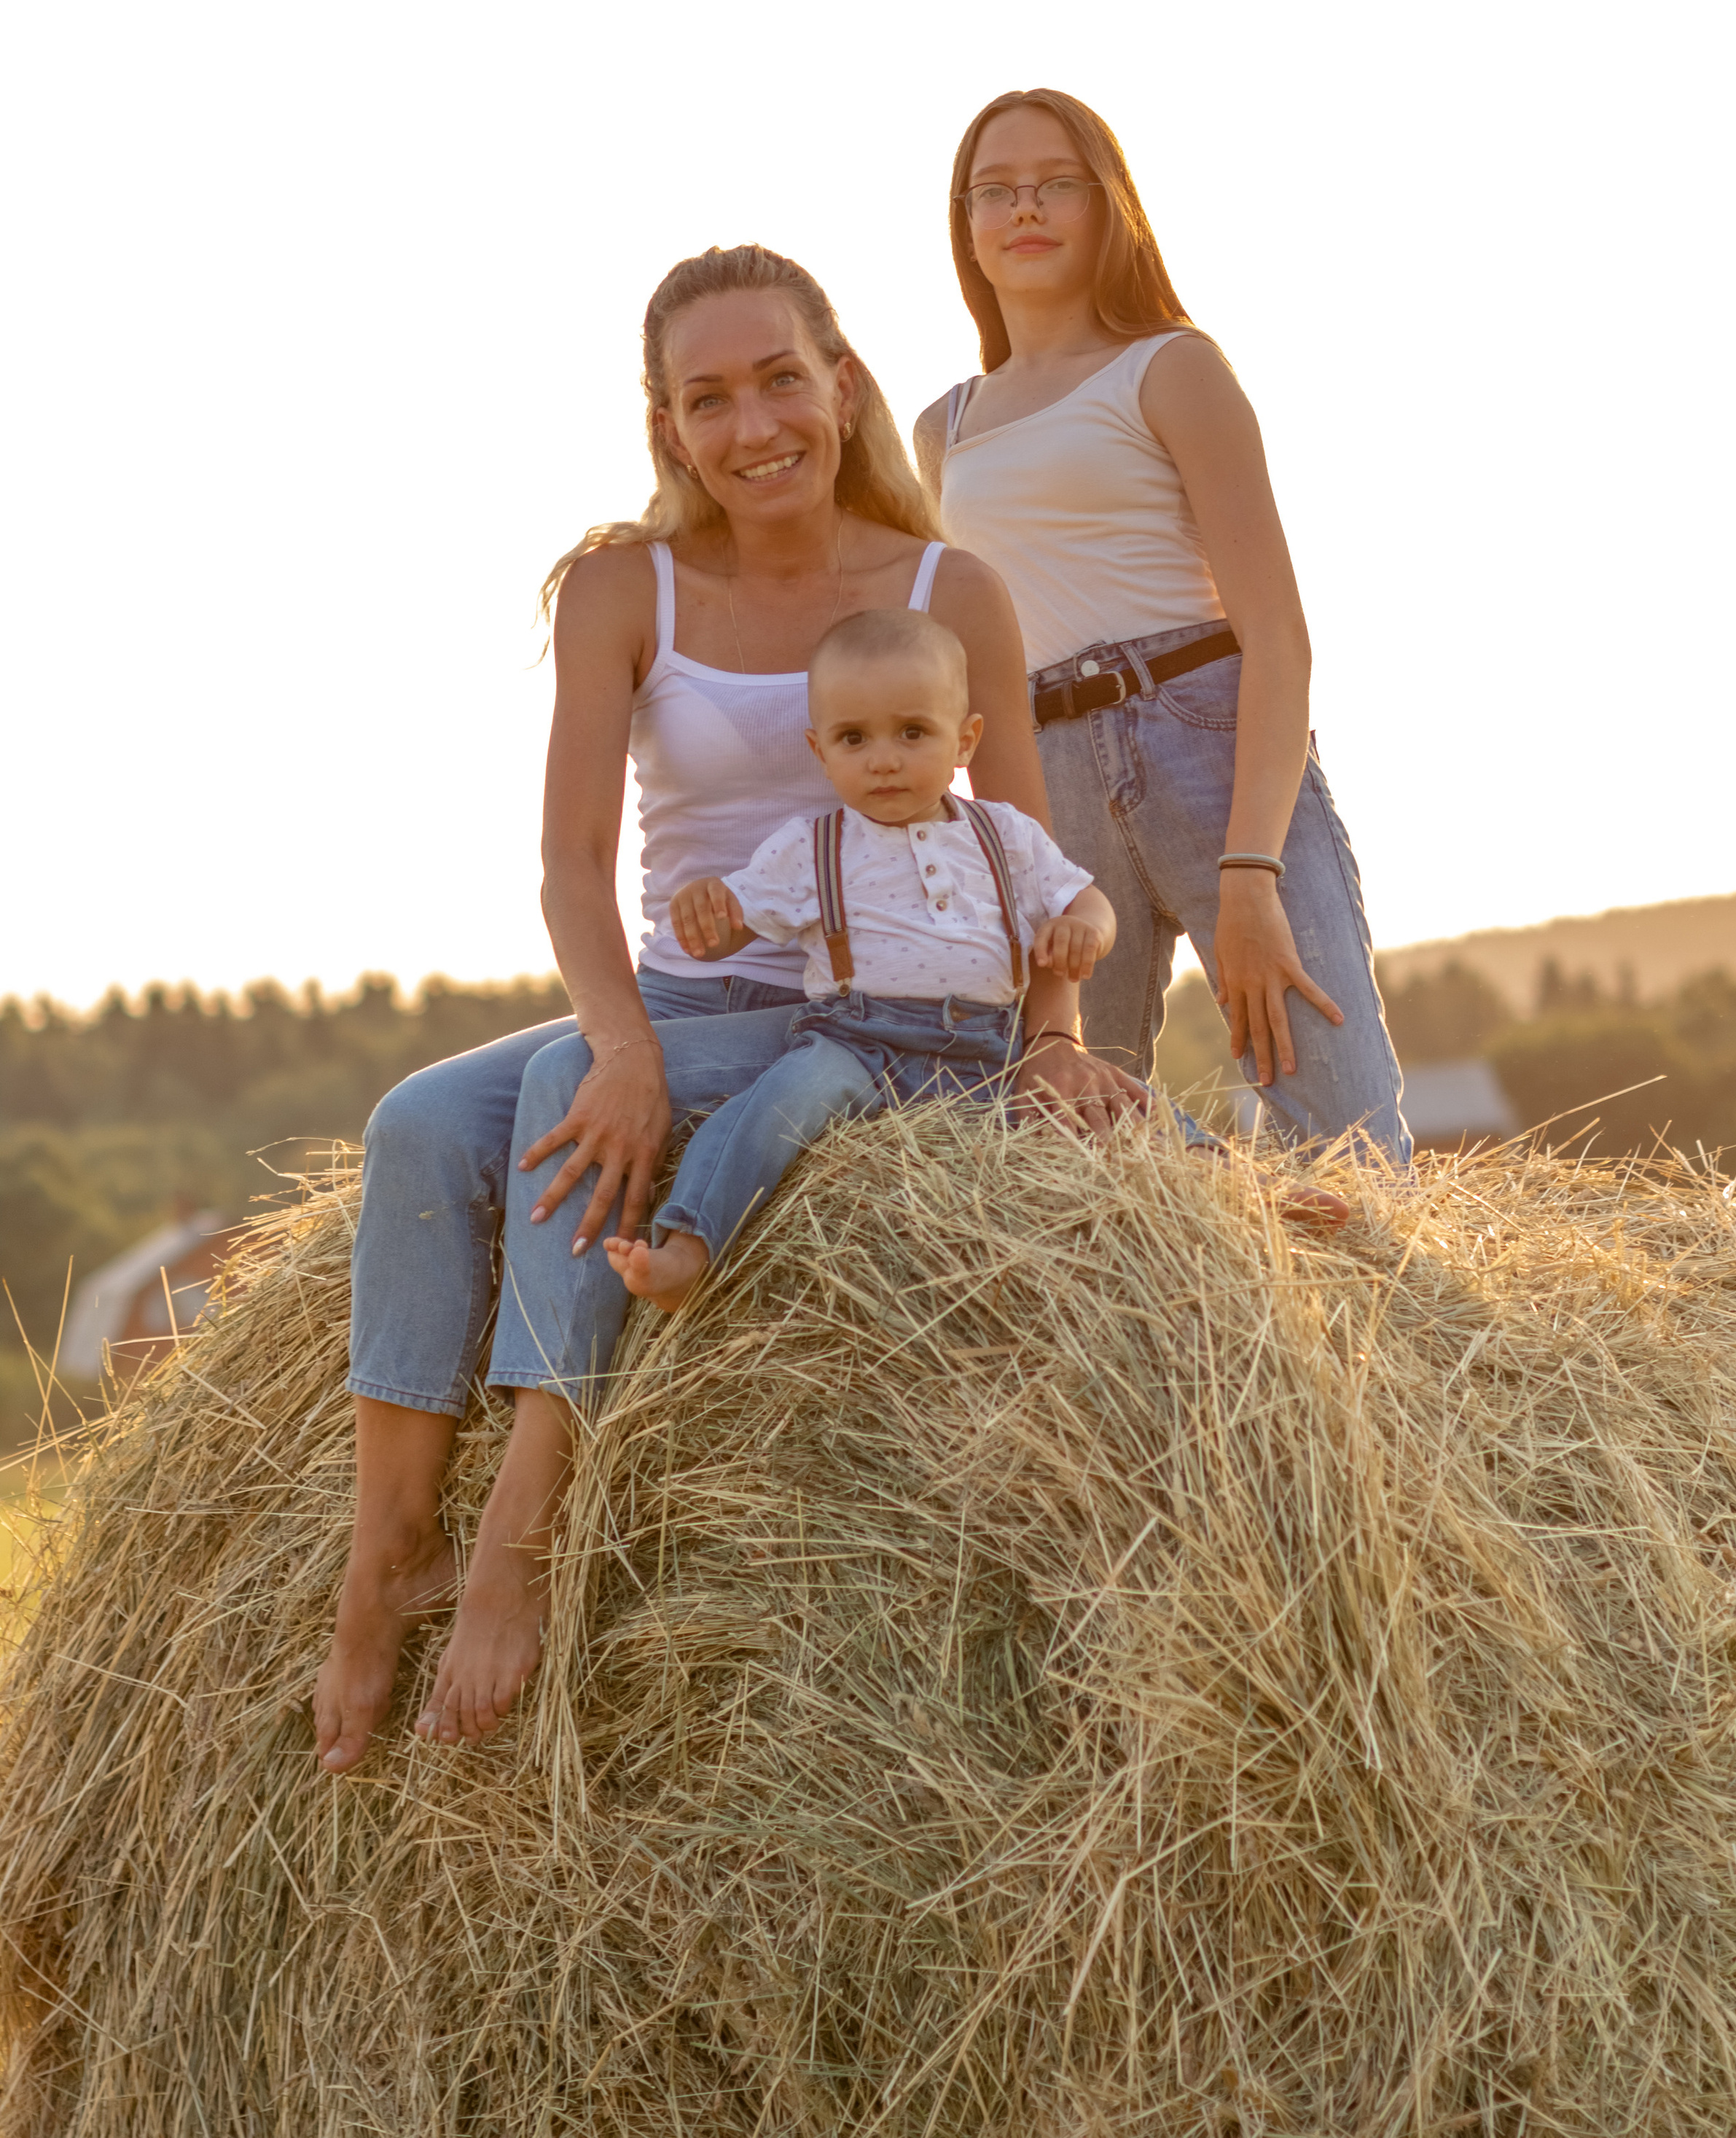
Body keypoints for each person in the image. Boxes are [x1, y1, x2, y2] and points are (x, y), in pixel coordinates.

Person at [313, 243, 1137, 1774]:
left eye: (778, 378)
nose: (752, 423)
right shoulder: (622, 588)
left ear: (840, 380)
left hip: (871, 1019)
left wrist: (1053, 1048)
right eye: (708, 397)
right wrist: (628, 1041)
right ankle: (387, 1555)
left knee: (564, 1082)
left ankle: (521, 1538)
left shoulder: (949, 588)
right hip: (683, 1002)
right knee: (417, 1120)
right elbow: (567, 865)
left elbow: (1027, 854)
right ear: (666, 423)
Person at [916, 89, 1409, 1164]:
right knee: (1073, 1145)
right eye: (994, 190)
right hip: (1040, 775)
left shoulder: (1172, 367)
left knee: (1348, 1138)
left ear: (1109, 206)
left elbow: (1279, 638)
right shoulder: (941, 427)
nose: (1024, 208)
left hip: (1207, 736)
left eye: (1056, 183)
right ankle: (1221, 1210)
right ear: (965, 223)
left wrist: (1251, 874)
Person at [609, 604, 1116, 1314]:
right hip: (858, 1046)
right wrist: (707, 914)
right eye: (854, 738)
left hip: (989, 1052)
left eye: (912, 732)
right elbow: (734, 921)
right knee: (776, 1106)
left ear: (964, 740)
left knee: (1111, 1104)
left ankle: (1239, 1195)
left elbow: (1087, 900)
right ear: (821, 752)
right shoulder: (810, 846)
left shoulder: (1005, 834)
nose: (883, 758)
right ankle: (691, 1249)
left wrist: (1085, 929)